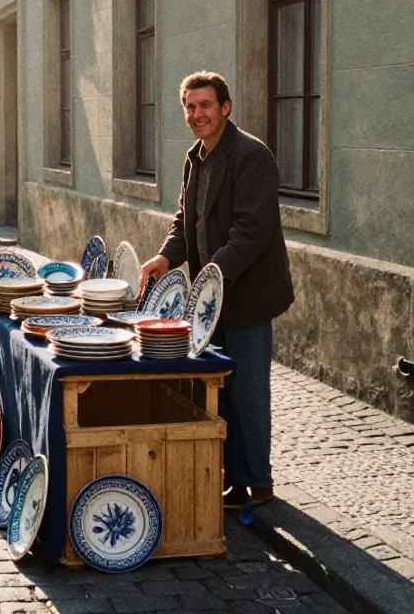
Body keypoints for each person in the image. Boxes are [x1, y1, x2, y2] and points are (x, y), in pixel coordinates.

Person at [139, 71, 294, 509]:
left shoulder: (251, 155)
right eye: (190, 107)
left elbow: (250, 232)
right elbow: (184, 220)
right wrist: (166, 258)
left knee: (247, 390)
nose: (197, 114)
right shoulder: (195, 156)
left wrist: (210, 276)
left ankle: (258, 482)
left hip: (246, 294)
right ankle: (230, 475)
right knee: (217, 389)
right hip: (209, 300)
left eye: (205, 105)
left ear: (225, 107)